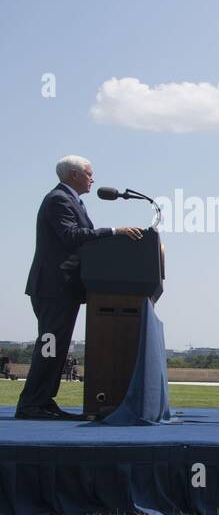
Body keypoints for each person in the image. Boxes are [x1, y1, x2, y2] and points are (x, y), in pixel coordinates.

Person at [16, 156, 144, 420]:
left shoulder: (72, 200)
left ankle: (43, 401)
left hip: (64, 289)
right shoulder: (58, 200)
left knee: (56, 349)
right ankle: (31, 404)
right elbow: (71, 236)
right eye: (89, 173)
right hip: (53, 288)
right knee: (49, 346)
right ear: (74, 174)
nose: (93, 179)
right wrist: (114, 231)